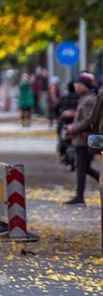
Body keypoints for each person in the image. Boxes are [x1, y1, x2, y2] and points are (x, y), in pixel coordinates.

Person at [64, 72, 100, 205]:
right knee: (84, 167)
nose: (76, 86)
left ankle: (79, 197)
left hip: (86, 139)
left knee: (82, 167)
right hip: (83, 138)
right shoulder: (85, 98)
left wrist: (73, 128)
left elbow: (88, 120)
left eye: (79, 84)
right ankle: (79, 196)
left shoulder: (89, 100)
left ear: (85, 85)